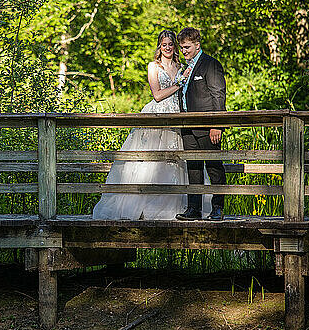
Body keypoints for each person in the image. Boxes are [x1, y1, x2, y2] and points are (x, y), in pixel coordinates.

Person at [92, 30, 212, 220]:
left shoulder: (181, 66)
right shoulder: (153, 66)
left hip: (177, 114)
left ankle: (179, 206)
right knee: (151, 161)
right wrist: (179, 83)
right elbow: (157, 95)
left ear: (175, 46)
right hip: (158, 114)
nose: (167, 48)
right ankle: (146, 204)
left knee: (177, 161)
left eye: (171, 44)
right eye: (164, 44)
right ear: (159, 46)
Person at [175, 27, 227, 221]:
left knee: (214, 166)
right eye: (181, 47)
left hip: (208, 126)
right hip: (187, 126)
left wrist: (217, 125)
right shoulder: (185, 68)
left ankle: (217, 208)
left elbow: (218, 96)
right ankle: (194, 208)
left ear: (197, 45)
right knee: (193, 167)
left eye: (187, 47)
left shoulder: (210, 64)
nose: (184, 51)